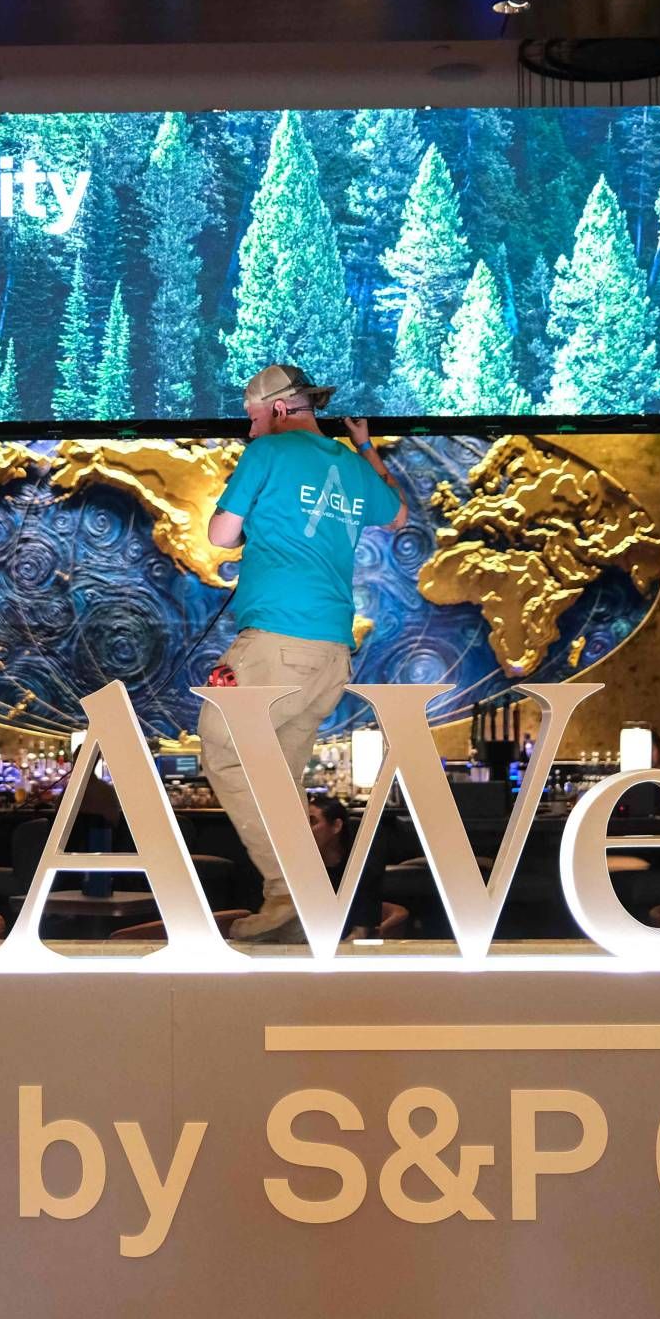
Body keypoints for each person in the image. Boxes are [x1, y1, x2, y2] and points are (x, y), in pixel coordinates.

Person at [201, 364, 407, 942]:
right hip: (331, 654)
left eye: (253, 417)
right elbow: (397, 515)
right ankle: (301, 901)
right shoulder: (349, 463)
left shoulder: (268, 453)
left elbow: (220, 535)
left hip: (278, 640)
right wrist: (365, 447)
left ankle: (290, 891)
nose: (249, 430)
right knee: (278, 778)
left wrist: (250, 520)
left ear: (278, 409)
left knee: (223, 750)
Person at [306, 795, 384, 940]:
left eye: (312, 821)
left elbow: (360, 931)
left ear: (336, 826)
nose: (305, 829)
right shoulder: (301, 870)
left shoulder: (361, 870)